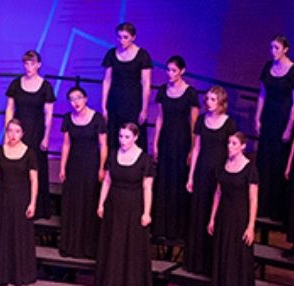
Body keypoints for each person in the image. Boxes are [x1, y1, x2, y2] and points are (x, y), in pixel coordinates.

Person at [96, 123, 155, 286]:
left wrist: (146, 212)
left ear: (136, 137)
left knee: (130, 245)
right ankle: (111, 285)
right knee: (113, 243)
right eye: (121, 136)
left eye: (127, 137)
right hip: (114, 205)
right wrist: (101, 204)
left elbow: (147, 188)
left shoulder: (145, 159)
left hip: (134, 206)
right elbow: (107, 181)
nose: (123, 140)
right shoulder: (113, 155)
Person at [185, 86, 236, 274]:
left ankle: (211, 264)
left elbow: (232, 151)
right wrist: (191, 175)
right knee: (198, 214)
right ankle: (195, 262)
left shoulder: (229, 123)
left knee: (212, 215)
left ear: (221, 101)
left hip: (219, 174)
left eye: (213, 99)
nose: (208, 102)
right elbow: (196, 149)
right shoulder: (201, 120)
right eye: (207, 99)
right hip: (201, 173)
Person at [207, 132, 258, 286]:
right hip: (224, 218)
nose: (229, 146)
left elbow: (253, 200)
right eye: (229, 142)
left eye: (234, 143)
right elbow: (218, 193)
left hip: (240, 218)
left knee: (237, 260)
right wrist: (212, 218)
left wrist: (251, 226)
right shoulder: (223, 166)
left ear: (243, 146)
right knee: (222, 257)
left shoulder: (250, 169)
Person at [0, 119, 38, 286]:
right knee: (2, 234)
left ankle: (19, 274)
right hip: (3, 198)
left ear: (23, 134)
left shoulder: (29, 153)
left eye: (17, 131)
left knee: (19, 235)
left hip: (21, 199)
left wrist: (32, 203)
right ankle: (1, 273)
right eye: (10, 131)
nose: (13, 135)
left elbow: (34, 180)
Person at [151, 55, 200, 243]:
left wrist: (192, 149)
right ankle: (160, 227)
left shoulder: (190, 93)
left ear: (182, 71)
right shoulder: (163, 90)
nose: (170, 74)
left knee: (178, 183)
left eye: (173, 70)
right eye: (168, 70)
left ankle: (177, 228)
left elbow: (194, 124)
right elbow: (160, 118)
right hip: (166, 140)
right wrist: (155, 143)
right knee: (163, 181)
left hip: (182, 142)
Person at [5, 50, 55, 219]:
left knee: (36, 167)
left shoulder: (46, 86)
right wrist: (8, 133)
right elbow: (9, 109)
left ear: (38, 65)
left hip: (37, 130)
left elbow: (49, 114)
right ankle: (18, 204)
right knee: (17, 166)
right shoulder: (16, 84)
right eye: (26, 63)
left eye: (32, 63)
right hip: (18, 131)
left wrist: (46, 136)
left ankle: (38, 207)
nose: (28, 67)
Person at [59, 86, 108, 259]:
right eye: (72, 99)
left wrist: (102, 167)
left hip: (91, 165)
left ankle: (88, 247)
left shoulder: (97, 119)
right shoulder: (68, 118)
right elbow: (66, 145)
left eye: (78, 98)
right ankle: (70, 244)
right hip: (74, 166)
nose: (76, 102)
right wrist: (62, 167)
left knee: (88, 202)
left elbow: (103, 145)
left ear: (85, 98)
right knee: (73, 203)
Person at [254, 35, 294, 222]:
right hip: (268, 117)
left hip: (283, 118)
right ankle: (261, 206)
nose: (273, 51)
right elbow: (262, 93)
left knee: (278, 162)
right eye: (271, 47)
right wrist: (257, 117)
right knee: (264, 160)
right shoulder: (267, 67)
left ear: (285, 49)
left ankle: (276, 210)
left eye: (277, 48)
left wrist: (289, 127)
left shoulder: (292, 71)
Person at [101, 22, 152, 151]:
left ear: (133, 37)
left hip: (133, 102)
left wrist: (144, 109)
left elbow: (146, 84)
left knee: (134, 133)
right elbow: (107, 81)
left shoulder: (142, 55)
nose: (121, 40)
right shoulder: (111, 54)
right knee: (114, 134)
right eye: (119, 37)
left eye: (125, 37)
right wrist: (103, 106)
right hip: (115, 102)